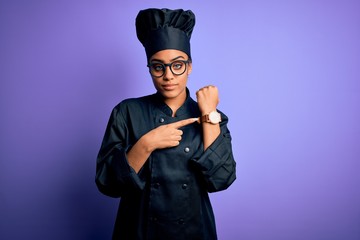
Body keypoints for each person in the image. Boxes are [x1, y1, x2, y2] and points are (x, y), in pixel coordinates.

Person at [96, 8, 236, 240]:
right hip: (138, 231)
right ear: (150, 69)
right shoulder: (127, 111)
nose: (168, 75)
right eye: (158, 66)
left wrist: (210, 113)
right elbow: (107, 184)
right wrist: (145, 144)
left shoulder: (211, 116)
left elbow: (221, 180)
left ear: (189, 66)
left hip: (194, 231)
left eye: (177, 65)